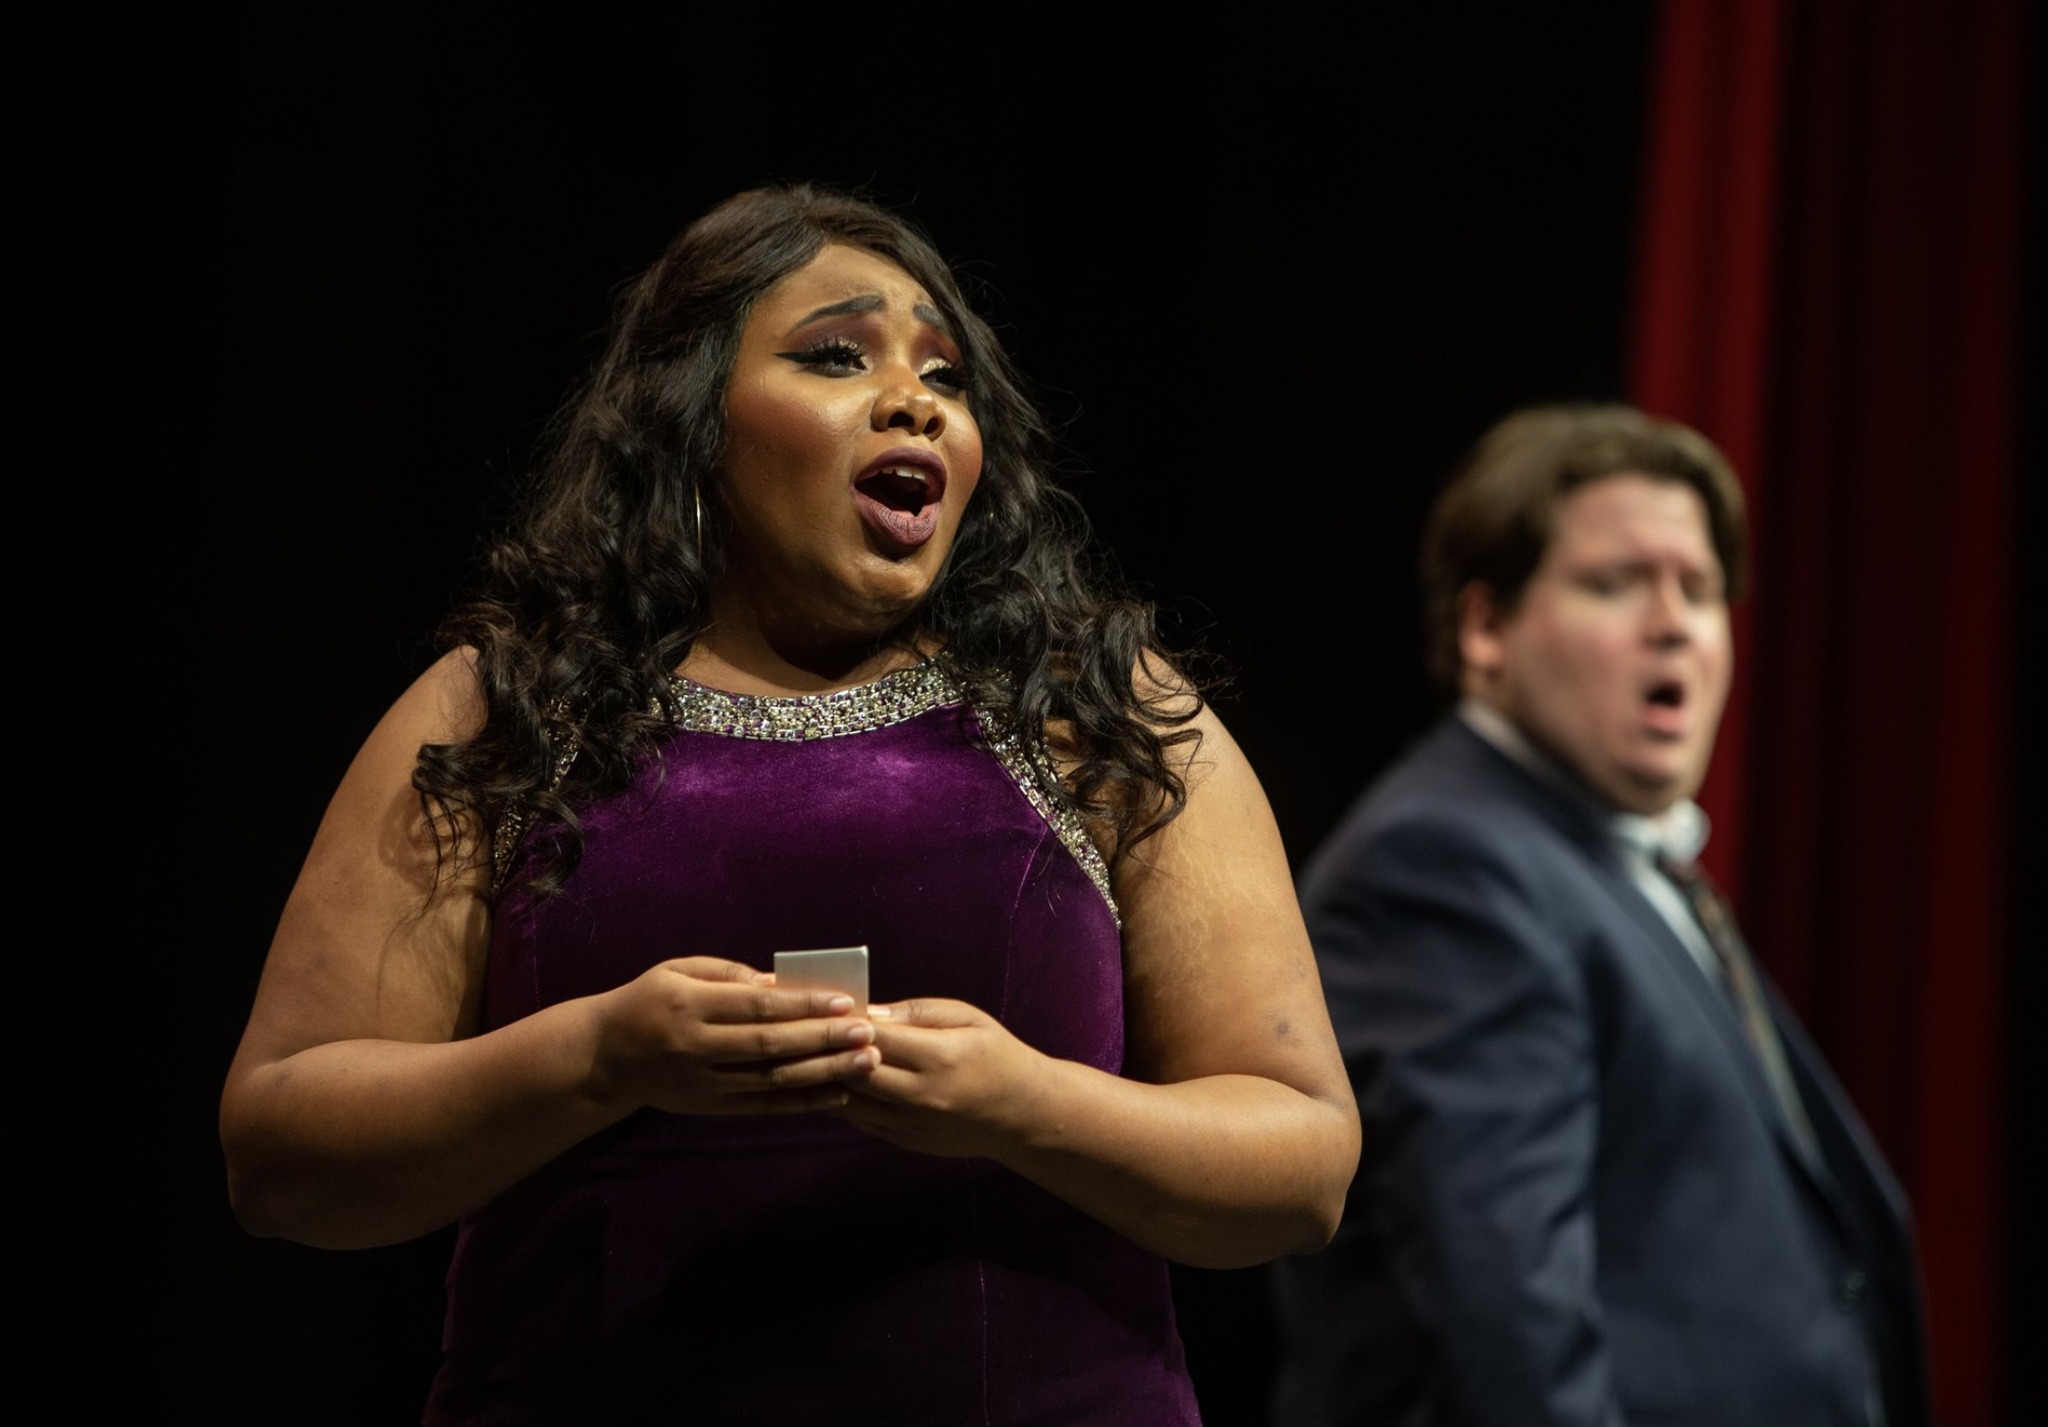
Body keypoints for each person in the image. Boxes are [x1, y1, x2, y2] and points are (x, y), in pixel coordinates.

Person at [219, 183, 1360, 1426]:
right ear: (691, 411)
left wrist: (1020, 1102)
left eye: (945, 374)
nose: (916, 399)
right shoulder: (509, 706)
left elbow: (1298, 1164)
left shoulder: (1092, 708)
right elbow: (282, 1155)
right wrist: (600, 1057)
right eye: (834, 355)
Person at [1267, 404, 1930, 1426]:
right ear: (1485, 629)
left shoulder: (1609, 860)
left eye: (1698, 588)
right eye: (1616, 582)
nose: (1673, 622)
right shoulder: (1444, 869)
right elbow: (1509, 1326)